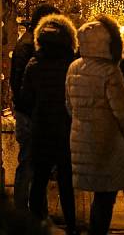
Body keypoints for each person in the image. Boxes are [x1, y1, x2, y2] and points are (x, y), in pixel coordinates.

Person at [66, 14, 124, 235]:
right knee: (105, 197)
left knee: (95, 194)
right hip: (107, 142)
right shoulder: (109, 70)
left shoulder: (74, 67)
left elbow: (69, 104)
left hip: (80, 138)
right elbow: (122, 110)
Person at [20, 14, 78, 235]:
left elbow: (25, 100)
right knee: (66, 183)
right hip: (65, 130)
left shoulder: (33, 64)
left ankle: (36, 226)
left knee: (39, 180)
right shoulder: (72, 64)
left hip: (41, 129)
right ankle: (71, 226)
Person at [9, 3, 59, 210]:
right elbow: (18, 84)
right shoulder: (28, 46)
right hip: (29, 115)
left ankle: (33, 209)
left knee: (34, 164)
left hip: (31, 113)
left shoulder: (31, 44)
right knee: (29, 163)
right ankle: (22, 211)